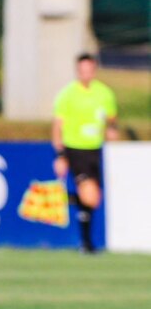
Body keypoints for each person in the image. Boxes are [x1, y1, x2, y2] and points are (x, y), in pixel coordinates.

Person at [52, 53, 118, 253]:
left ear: (95, 70)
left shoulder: (105, 93)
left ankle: (86, 243)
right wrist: (61, 155)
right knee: (90, 197)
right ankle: (86, 243)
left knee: (94, 199)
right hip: (75, 150)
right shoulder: (68, 94)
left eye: (89, 69)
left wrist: (112, 130)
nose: (85, 74)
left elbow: (112, 119)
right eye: (82, 70)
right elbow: (57, 126)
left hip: (95, 150)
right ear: (77, 71)